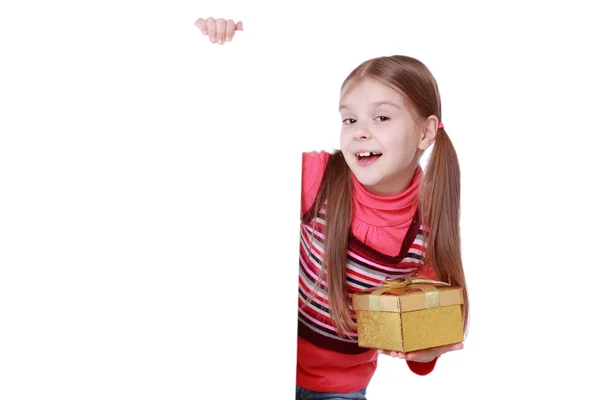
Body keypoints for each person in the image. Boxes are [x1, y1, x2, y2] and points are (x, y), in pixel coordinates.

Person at [195, 17, 470, 399]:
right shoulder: (318, 176)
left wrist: (426, 351)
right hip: (258, 367)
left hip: (340, 390)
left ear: (425, 132)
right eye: (349, 119)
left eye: (382, 117)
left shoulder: (426, 226)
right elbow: (229, 145)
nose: (360, 130)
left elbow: (417, 347)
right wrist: (220, 53)